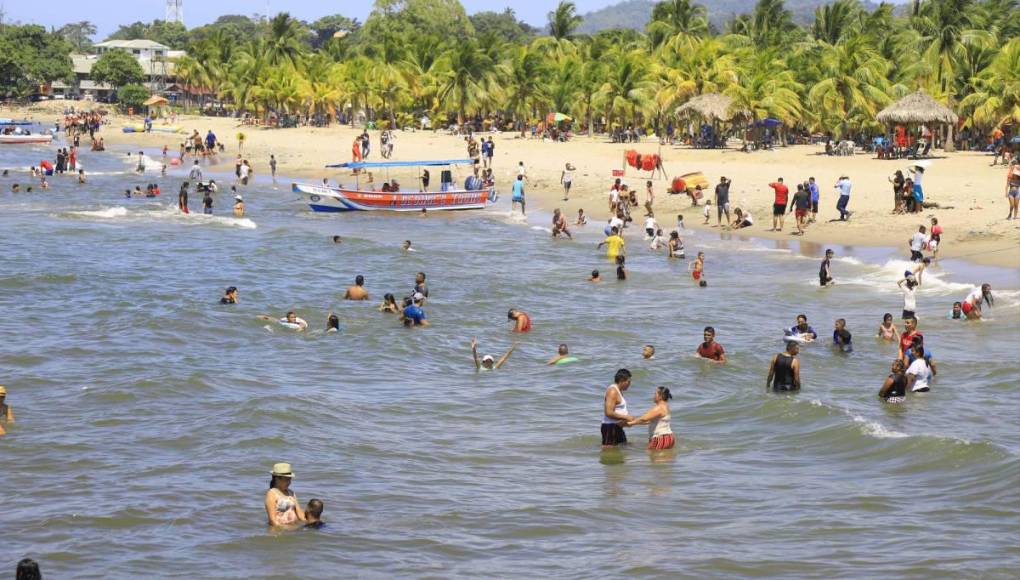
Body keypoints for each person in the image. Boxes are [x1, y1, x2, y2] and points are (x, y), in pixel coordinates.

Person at [601, 369, 634, 448]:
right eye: (628, 382)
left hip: (617, 426)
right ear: (622, 380)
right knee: (609, 453)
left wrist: (625, 421)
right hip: (610, 427)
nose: (630, 384)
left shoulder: (618, 390)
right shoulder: (613, 391)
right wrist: (626, 417)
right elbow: (608, 412)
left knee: (623, 448)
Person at [265, 462, 304, 526]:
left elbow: (300, 513)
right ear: (277, 479)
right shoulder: (271, 494)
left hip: (293, 529)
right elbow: (272, 520)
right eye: (286, 479)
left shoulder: (291, 493)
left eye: (290, 479)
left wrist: (310, 523)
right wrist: (284, 529)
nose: (289, 482)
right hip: (279, 531)